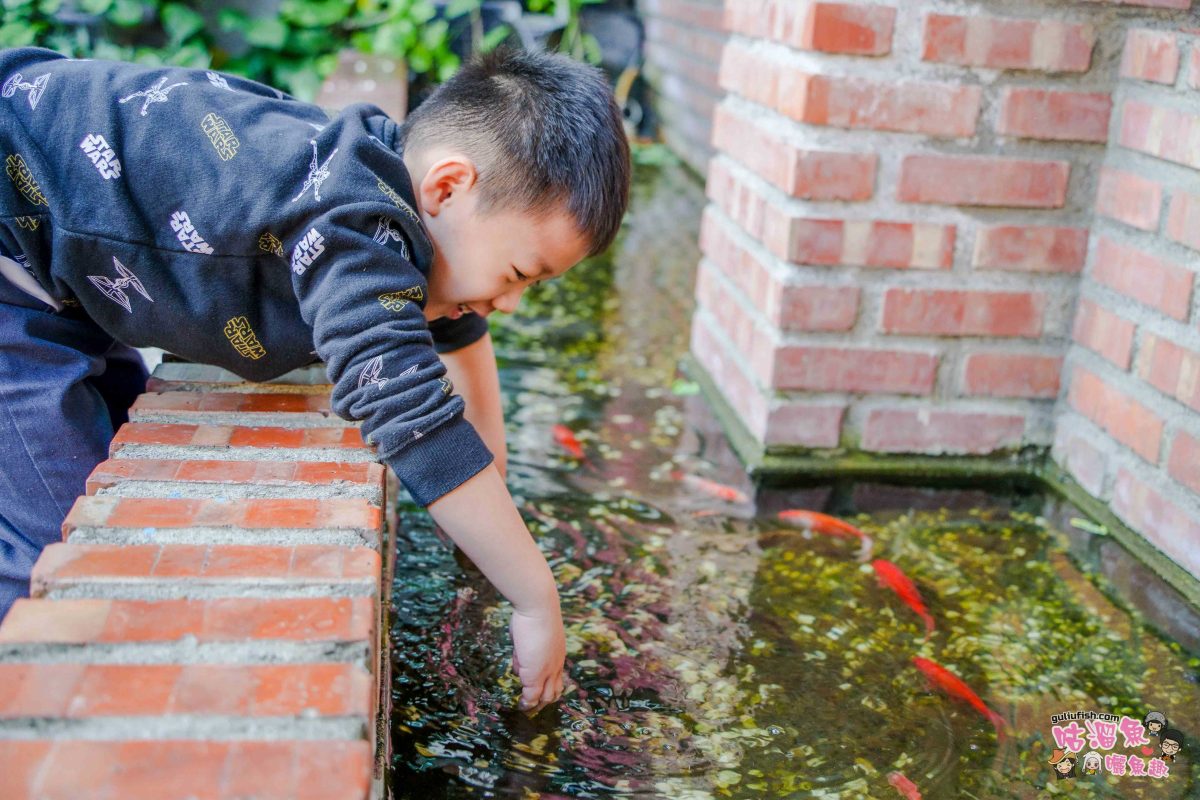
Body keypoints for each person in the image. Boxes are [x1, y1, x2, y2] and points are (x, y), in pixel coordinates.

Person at [0, 45, 631, 714]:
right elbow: (410, 416)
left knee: (106, 453)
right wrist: (535, 597)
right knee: (61, 551)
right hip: (13, 251)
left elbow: (460, 338)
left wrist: (484, 533)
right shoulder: (355, 227)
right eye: (518, 275)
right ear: (446, 188)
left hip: (63, 264)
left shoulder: (389, 187)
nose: (510, 304)